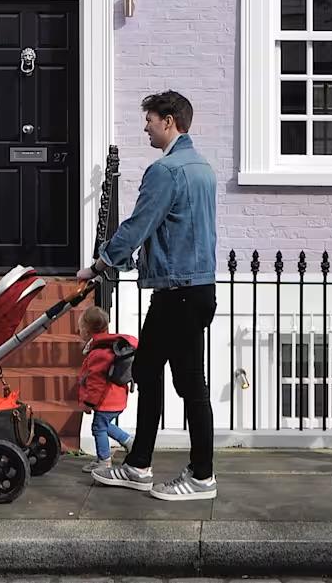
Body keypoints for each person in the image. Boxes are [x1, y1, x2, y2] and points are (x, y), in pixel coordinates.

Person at [75, 90, 218, 501]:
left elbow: (138, 225)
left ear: (169, 121)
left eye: (151, 119)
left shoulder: (167, 171)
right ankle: (139, 466)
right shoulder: (202, 168)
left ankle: (201, 476)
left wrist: (101, 264)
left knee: (188, 383)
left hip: (179, 294)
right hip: (193, 288)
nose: (146, 126)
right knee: (148, 372)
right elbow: (180, 233)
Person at [73, 305, 136, 472]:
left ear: (86, 331)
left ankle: (104, 461)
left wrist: (88, 402)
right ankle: (130, 443)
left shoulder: (98, 353)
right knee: (104, 425)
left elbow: (96, 382)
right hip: (117, 398)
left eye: (80, 329)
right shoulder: (110, 347)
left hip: (105, 400)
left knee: (98, 427)